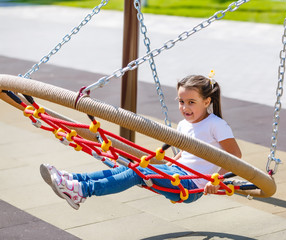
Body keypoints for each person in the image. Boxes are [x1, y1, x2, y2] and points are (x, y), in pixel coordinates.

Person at [40, 73, 242, 210]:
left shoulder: (216, 124)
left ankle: (82, 191)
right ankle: (75, 180)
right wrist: (172, 162)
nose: (185, 107)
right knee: (132, 166)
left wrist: (215, 180)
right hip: (177, 174)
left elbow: (235, 156)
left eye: (191, 102)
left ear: (207, 102)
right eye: (181, 101)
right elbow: (187, 153)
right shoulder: (183, 124)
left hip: (190, 185)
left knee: (138, 171)